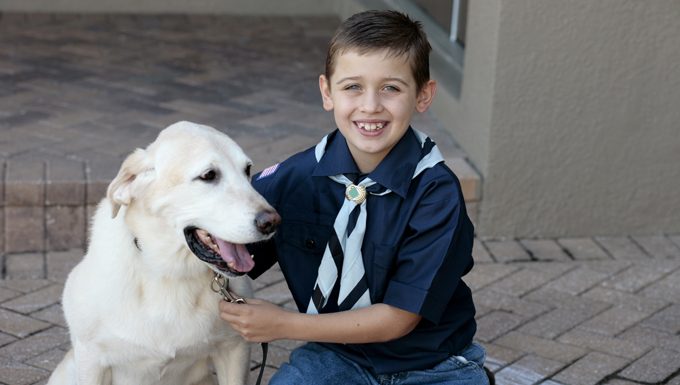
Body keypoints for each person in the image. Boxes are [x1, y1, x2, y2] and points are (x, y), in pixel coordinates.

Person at [219, 9, 490, 385]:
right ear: (327, 92)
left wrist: (282, 324)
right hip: (334, 356)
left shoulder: (435, 193)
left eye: (391, 88)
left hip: (433, 364)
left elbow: (399, 318)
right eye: (352, 87)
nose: (371, 105)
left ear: (423, 95)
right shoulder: (294, 179)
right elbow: (228, 241)